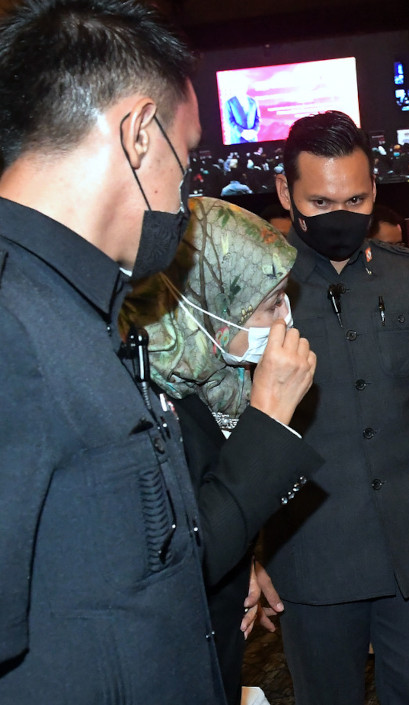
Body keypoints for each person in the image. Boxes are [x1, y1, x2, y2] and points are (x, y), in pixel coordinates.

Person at [0, 0, 226, 701]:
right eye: (187, 161)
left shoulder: (70, 304)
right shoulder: (13, 324)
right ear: (139, 134)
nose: (185, 197)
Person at [262, 110, 409, 705]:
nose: (341, 214)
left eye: (356, 199)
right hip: (311, 552)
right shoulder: (255, 287)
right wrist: (247, 555)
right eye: (321, 201)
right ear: (285, 191)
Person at [120, 197, 323, 704]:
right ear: (202, 301)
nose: (286, 319)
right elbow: (185, 553)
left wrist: (244, 563)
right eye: (272, 303)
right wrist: (270, 414)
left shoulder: (211, 383)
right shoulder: (143, 402)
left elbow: (215, 505)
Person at [222, 74, 260, 144]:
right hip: (237, 140)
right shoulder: (229, 103)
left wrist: (254, 131)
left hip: (252, 139)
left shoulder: (253, 101)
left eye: (244, 85)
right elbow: (229, 121)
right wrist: (242, 132)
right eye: (239, 85)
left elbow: (257, 119)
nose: (242, 87)